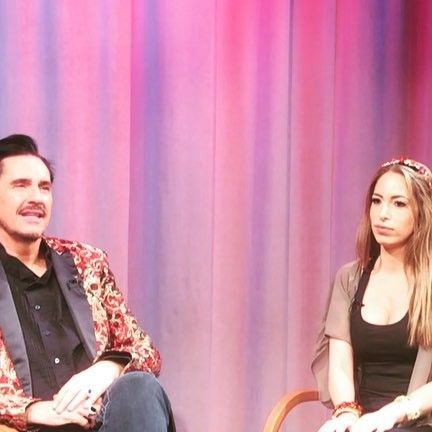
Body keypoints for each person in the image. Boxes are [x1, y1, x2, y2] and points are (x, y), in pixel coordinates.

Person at [0, 134, 175, 431]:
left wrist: (107, 368)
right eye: (21, 186)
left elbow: (145, 351)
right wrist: (31, 410)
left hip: (102, 424)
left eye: (44, 187)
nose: (36, 198)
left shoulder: (87, 262)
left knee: (139, 389)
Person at [312, 157, 432, 432]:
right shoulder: (350, 279)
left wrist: (393, 413)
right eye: (376, 201)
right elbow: (340, 364)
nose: (382, 214)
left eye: (398, 203)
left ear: (423, 212)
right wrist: (345, 414)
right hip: (362, 422)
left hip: (420, 418)